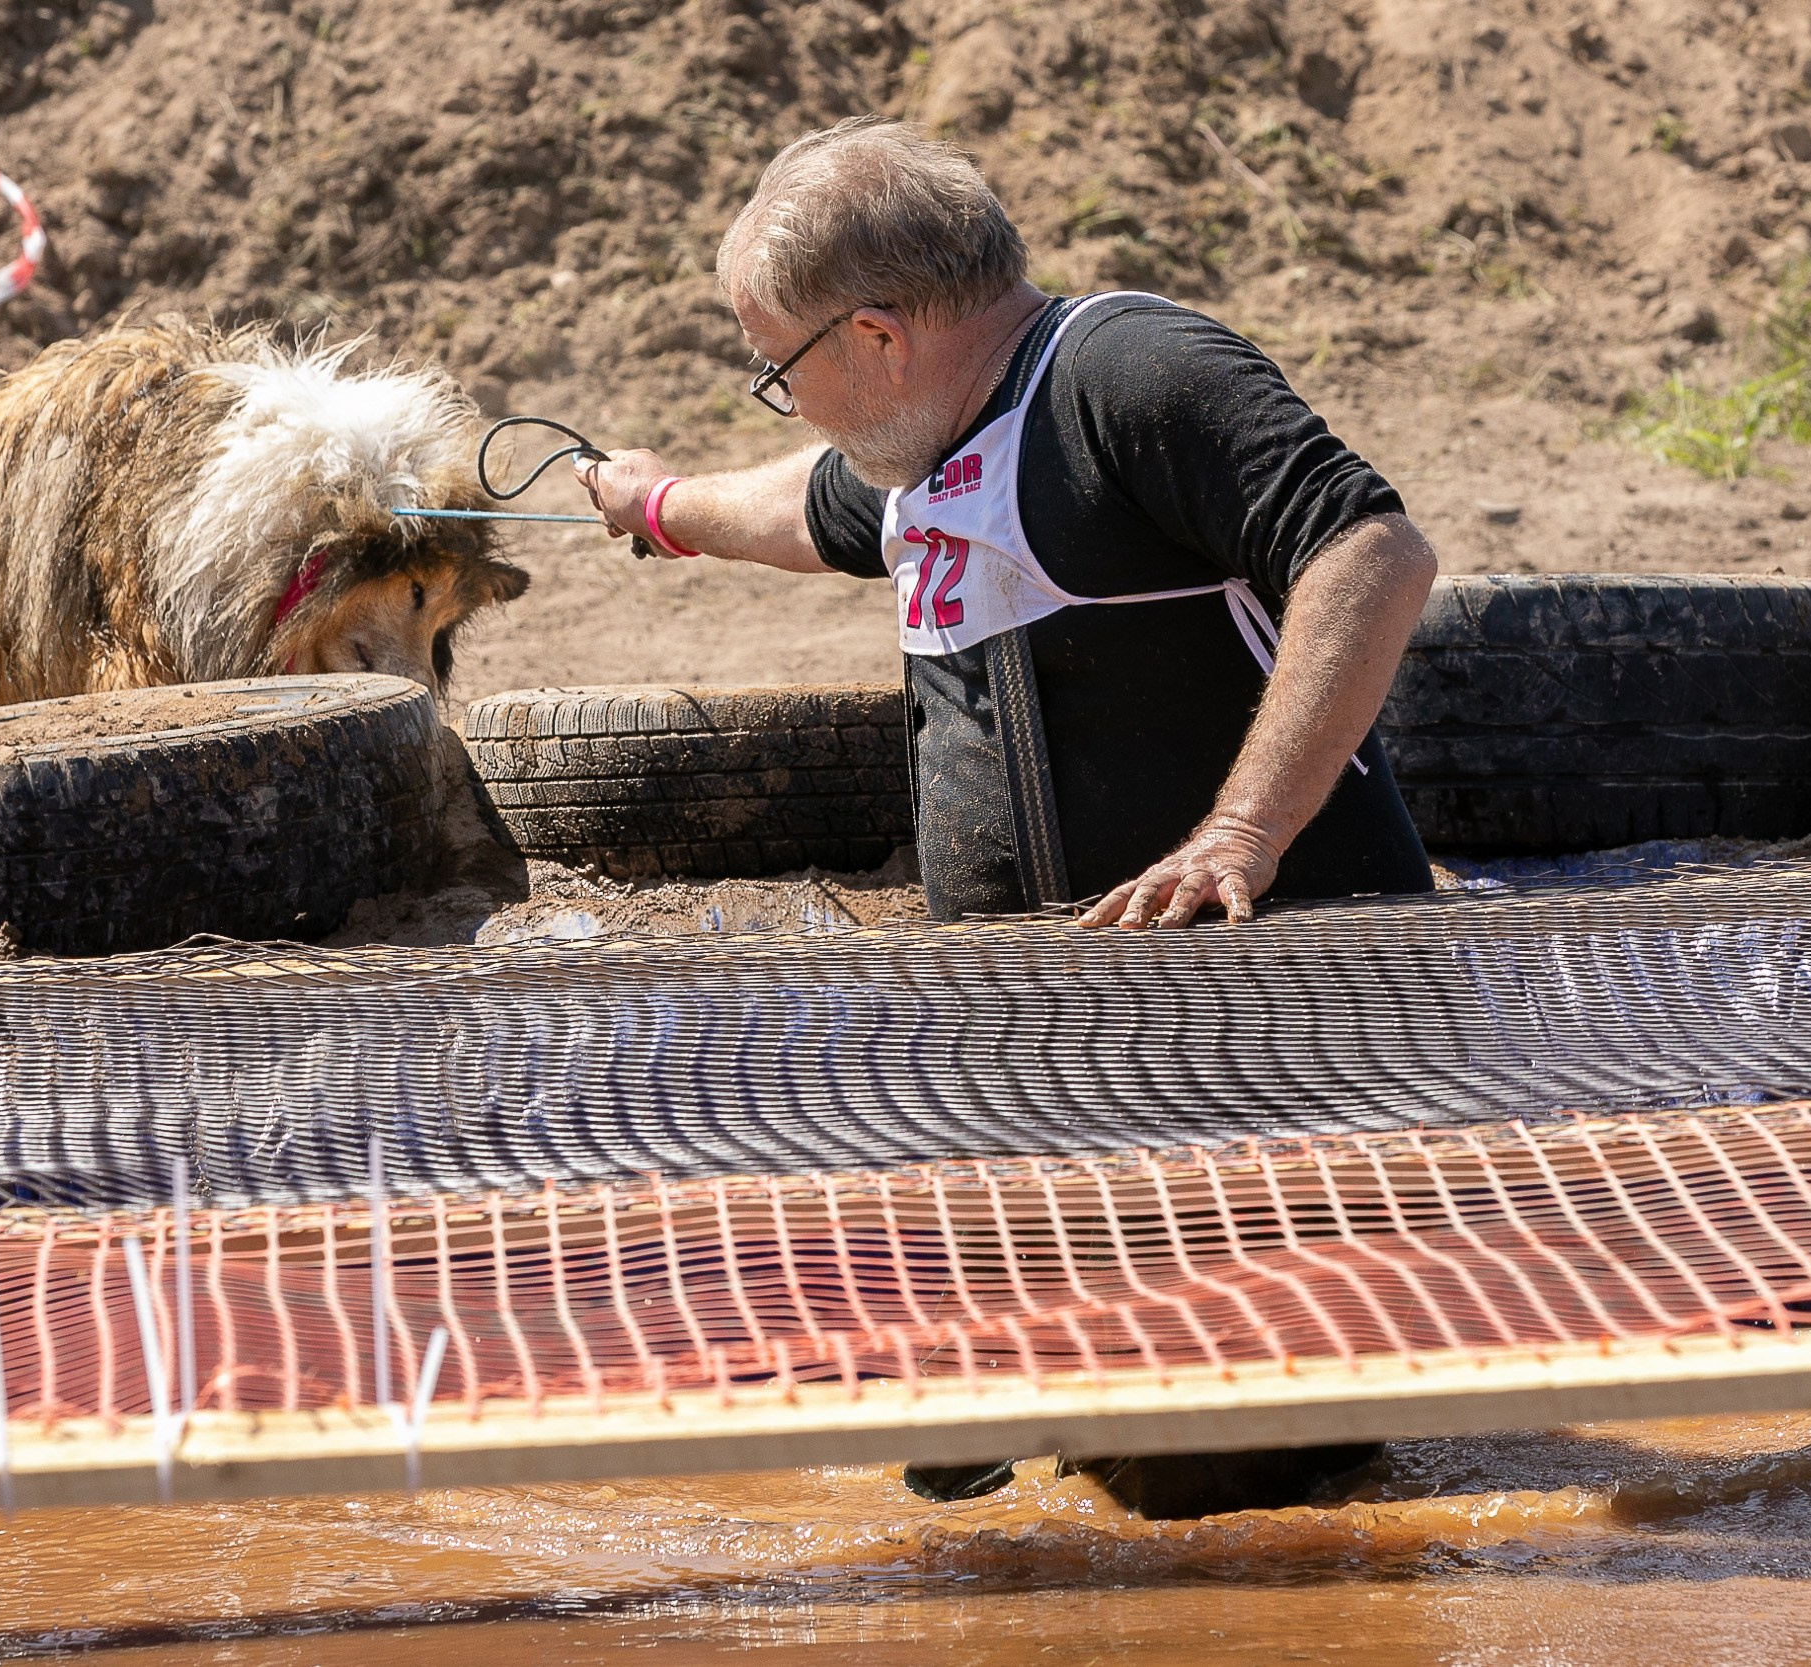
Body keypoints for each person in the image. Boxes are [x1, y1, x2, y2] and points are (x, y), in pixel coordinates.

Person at [571, 118, 1434, 1510]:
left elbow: (1370, 549)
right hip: (1067, 1048)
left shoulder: (1131, 376)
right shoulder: (927, 444)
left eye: (778, 370)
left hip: (1268, 1033)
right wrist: (659, 504)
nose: (786, 401)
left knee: (1235, 1494)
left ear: (878, 337)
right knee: (1032, 1465)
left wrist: (1240, 836)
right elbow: (820, 504)